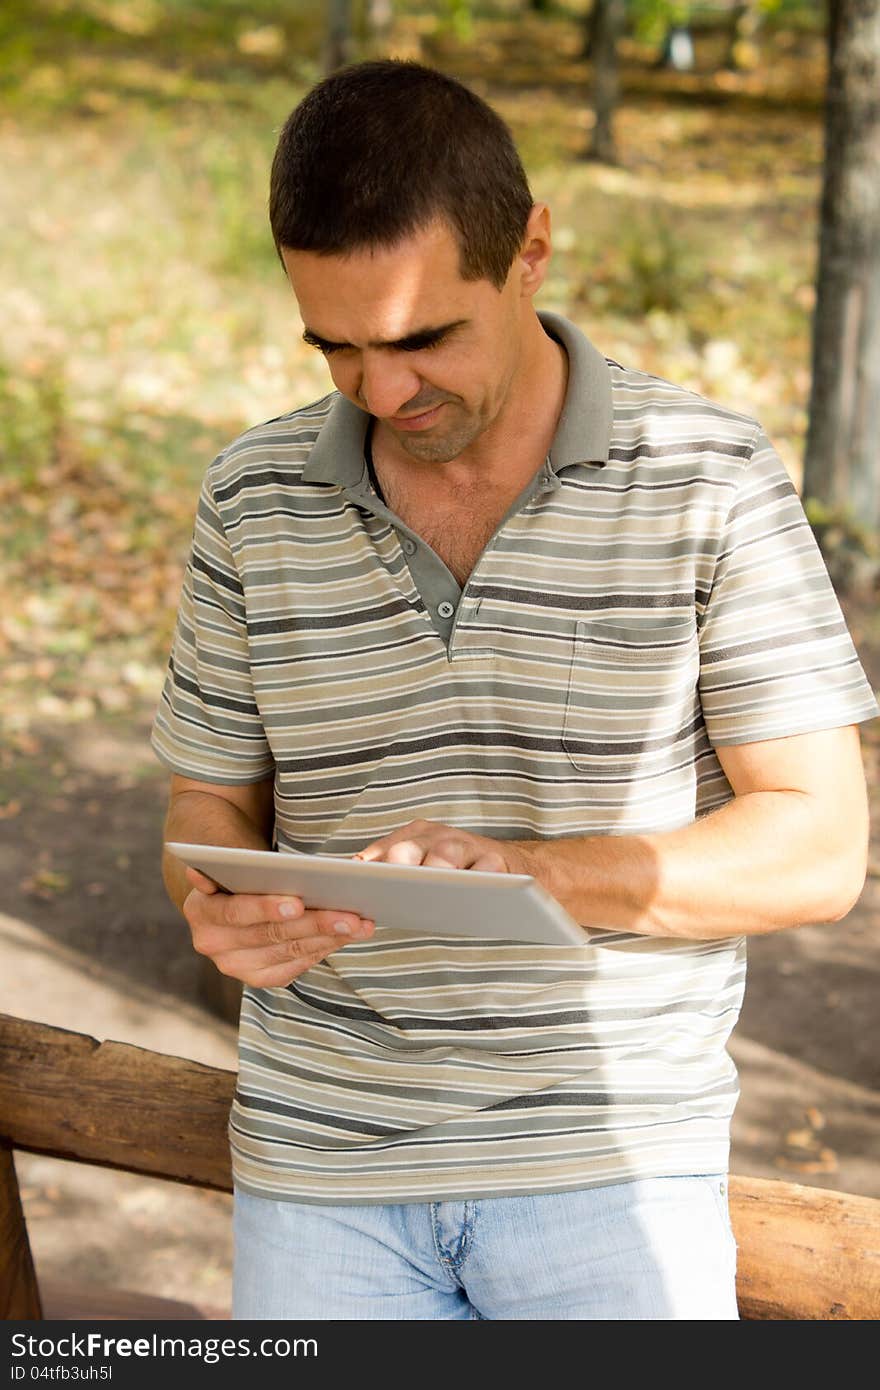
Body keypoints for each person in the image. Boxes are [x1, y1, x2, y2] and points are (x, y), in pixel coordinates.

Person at [152, 60, 878, 1321]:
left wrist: (532, 873)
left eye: (425, 337)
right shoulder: (251, 497)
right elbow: (204, 813)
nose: (382, 392)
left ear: (531, 249)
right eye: (336, 347)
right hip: (318, 1159)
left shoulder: (709, 476)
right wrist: (213, 903)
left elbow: (817, 852)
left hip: (612, 1160)